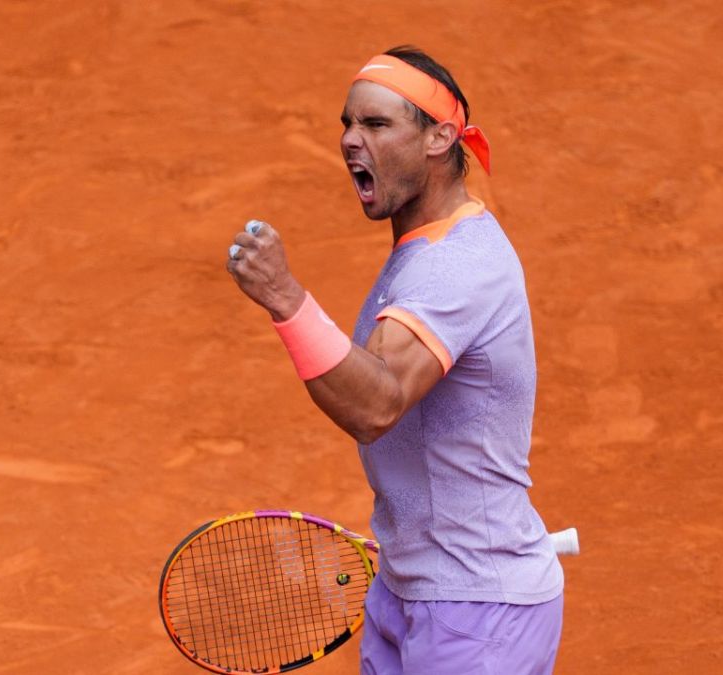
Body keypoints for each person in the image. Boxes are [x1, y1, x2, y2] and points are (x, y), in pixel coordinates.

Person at [226, 46, 564, 674]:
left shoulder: (457, 266)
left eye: (377, 125)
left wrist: (284, 298)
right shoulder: (422, 251)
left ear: (440, 138)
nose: (352, 141)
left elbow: (375, 404)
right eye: (348, 124)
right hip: (409, 594)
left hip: (477, 611)